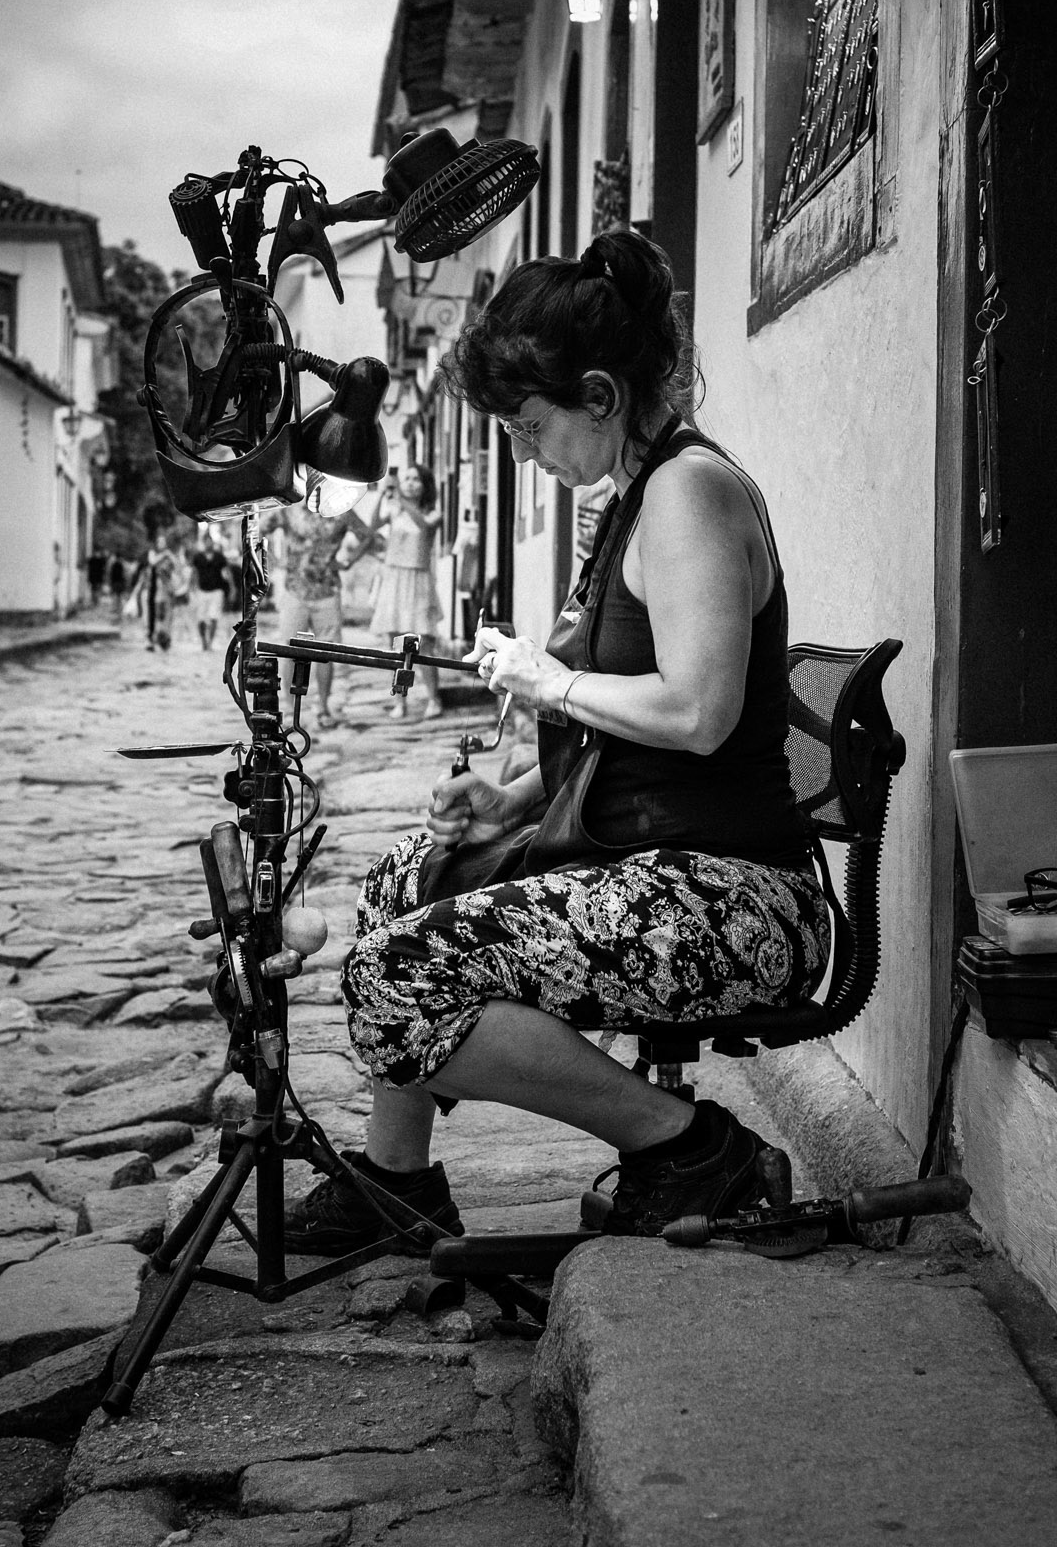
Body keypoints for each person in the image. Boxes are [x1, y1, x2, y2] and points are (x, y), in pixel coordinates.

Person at [283, 228, 826, 1253]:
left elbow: (697, 712)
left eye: (532, 428)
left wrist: (551, 677)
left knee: (398, 974)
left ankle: (688, 1143)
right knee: (405, 880)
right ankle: (397, 1183)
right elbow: (626, 735)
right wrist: (515, 796)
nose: (527, 454)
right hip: (662, 866)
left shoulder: (690, 493)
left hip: (735, 901)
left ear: (601, 396)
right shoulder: (635, 494)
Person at [264, 503, 375, 726]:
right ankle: (289, 708)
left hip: (327, 589)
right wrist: (275, 561)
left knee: (325, 651)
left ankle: (323, 706)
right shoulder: (289, 509)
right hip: (295, 588)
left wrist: (347, 561)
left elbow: (367, 535)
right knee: (290, 649)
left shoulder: (340, 509)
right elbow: (258, 531)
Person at [369, 462, 444, 720]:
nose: (410, 482)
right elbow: (374, 523)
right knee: (397, 647)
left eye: (416, 479)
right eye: (406, 478)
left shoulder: (433, 513)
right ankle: (400, 700)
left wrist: (399, 497)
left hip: (418, 580)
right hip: (394, 578)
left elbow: (423, 525)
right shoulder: (394, 508)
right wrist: (382, 493)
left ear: (425, 485)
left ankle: (434, 698)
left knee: (425, 644)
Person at [131, 531, 177, 651]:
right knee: (151, 616)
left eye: (164, 542)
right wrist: (164, 555)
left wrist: (169, 556)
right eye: (160, 542)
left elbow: (176, 566)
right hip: (152, 591)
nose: (162, 544)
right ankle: (151, 639)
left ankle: (164, 639)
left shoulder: (168, 557)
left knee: (165, 617)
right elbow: (152, 562)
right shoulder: (153, 554)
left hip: (165, 591)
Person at [190, 526, 230, 655]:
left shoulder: (219, 557)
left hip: (216, 590)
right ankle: (204, 641)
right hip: (202, 590)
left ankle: (210, 642)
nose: (209, 543)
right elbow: (194, 573)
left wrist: (231, 588)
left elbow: (226, 573)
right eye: (206, 541)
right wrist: (191, 588)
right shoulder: (198, 557)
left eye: (210, 541)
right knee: (201, 619)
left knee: (214, 617)